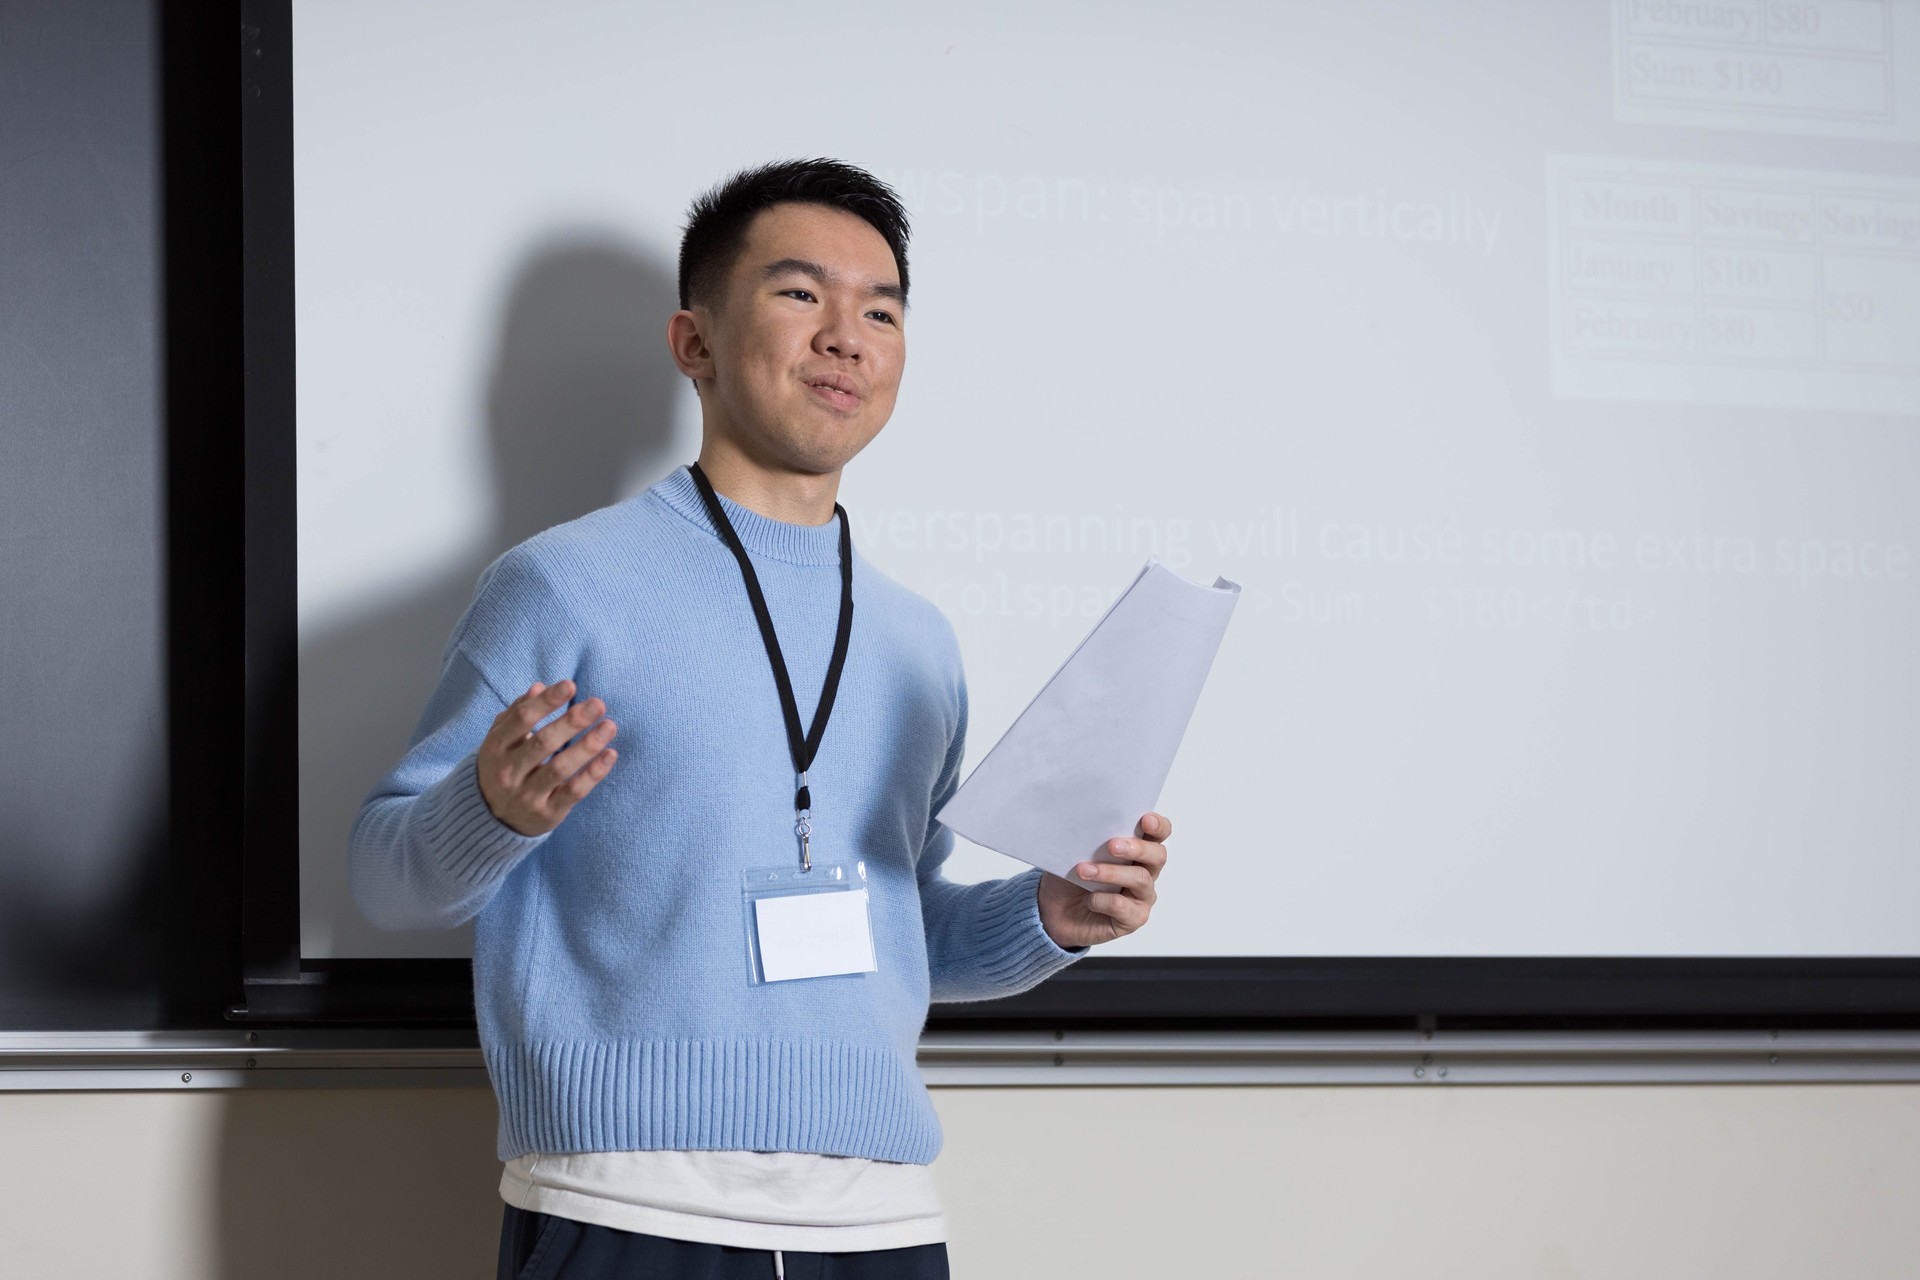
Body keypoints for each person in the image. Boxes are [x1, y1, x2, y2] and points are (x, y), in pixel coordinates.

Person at [349, 157, 1173, 1280]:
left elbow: (906, 929)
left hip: (879, 1221)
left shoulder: (916, 639)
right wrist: (488, 808)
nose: (847, 335)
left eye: (880, 310)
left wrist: (1053, 914)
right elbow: (388, 875)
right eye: (801, 294)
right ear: (693, 342)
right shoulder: (562, 584)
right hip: (629, 1205)